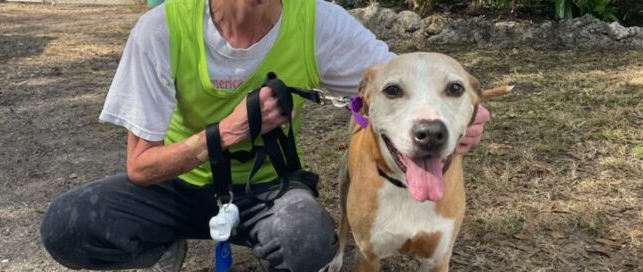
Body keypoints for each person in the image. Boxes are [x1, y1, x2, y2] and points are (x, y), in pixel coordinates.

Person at [39, 0, 491, 271]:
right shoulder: (161, 29)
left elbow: (406, 77)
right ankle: (165, 239)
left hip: (266, 191)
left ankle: (256, 238)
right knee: (67, 227)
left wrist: (464, 115)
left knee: (310, 245)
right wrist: (228, 131)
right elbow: (140, 166)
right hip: (177, 186)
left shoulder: (319, 22)